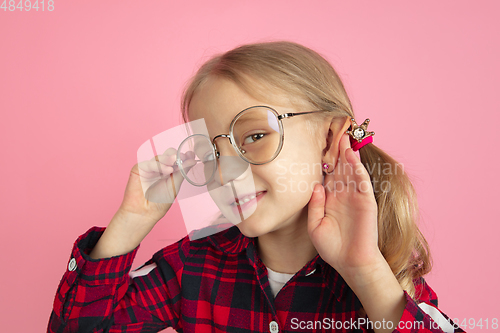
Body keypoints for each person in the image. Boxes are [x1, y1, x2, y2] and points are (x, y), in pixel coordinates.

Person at [47, 41, 465, 333]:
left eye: (254, 136)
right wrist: (131, 222)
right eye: (210, 152)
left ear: (330, 137)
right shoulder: (192, 265)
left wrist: (366, 273)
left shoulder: (382, 270)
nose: (226, 171)